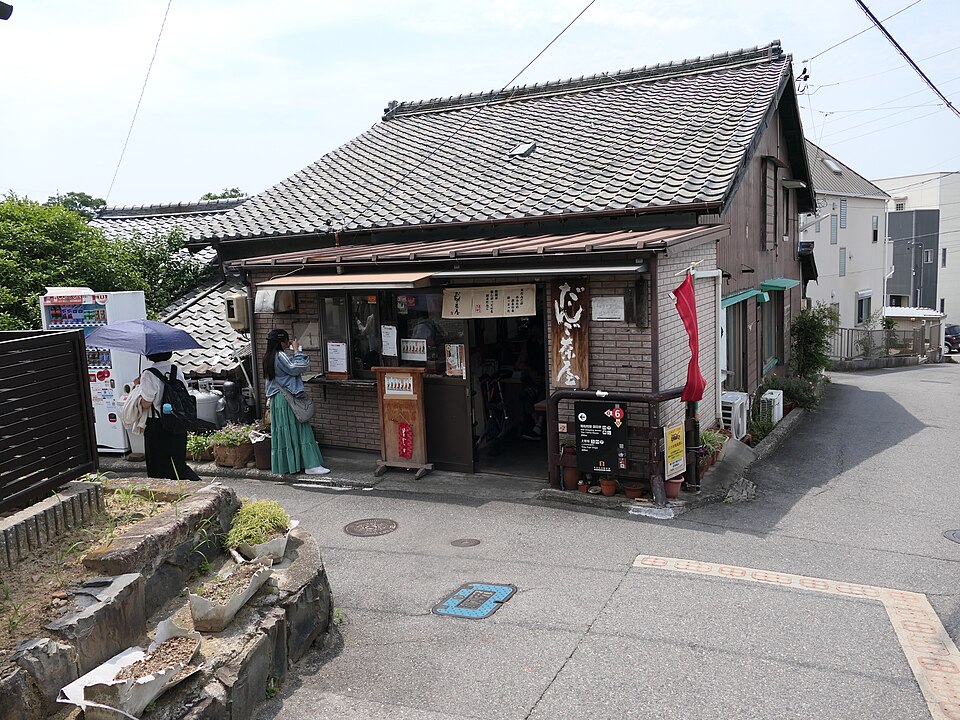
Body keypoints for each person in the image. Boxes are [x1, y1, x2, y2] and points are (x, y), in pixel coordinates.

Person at [263, 328, 330, 475]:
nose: (289, 343)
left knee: (285, 432)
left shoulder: (268, 357)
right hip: (287, 398)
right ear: (281, 342)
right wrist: (297, 351)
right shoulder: (280, 355)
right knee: (301, 429)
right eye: (287, 340)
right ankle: (311, 466)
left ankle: (289, 465)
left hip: (278, 399)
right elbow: (296, 368)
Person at [138, 352, 203, 481]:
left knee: (157, 464)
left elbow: (146, 403)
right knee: (178, 463)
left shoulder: (148, 374)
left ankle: (162, 493)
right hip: (177, 420)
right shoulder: (176, 369)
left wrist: (137, 395)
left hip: (157, 425)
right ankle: (195, 488)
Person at [517, 321, 547, 441]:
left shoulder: (549, 341)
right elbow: (519, 363)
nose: (531, 330)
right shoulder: (529, 343)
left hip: (546, 382)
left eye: (533, 327)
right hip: (533, 380)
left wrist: (546, 376)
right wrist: (530, 371)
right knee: (525, 395)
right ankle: (537, 425)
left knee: (543, 395)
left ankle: (538, 426)